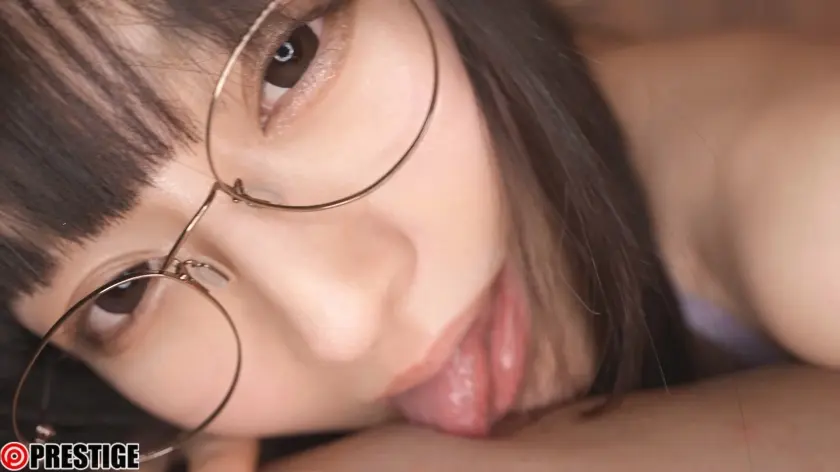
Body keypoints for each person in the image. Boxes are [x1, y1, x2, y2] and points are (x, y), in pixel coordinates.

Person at [0, 0, 838, 471]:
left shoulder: (806, 179)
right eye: (125, 292)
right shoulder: (123, 433)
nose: (340, 322)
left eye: (289, 60)